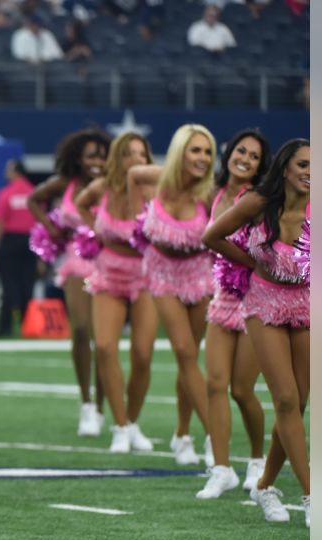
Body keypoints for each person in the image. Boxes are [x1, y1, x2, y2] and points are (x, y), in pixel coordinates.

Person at [202, 139, 310, 526]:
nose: (310, 171)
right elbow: (211, 236)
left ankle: (265, 485)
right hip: (262, 303)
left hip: (308, 304)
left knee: (298, 405)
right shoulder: (259, 203)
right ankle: (312, 494)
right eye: (303, 164)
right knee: (283, 398)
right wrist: (252, 263)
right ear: (285, 168)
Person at [128, 124, 217, 467]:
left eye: (207, 152)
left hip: (198, 274)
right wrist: (141, 217)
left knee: (190, 357)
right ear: (181, 151)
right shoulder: (159, 178)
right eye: (195, 150)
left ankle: (182, 433)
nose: (202, 158)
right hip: (162, 272)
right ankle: (214, 435)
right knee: (183, 350)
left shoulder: (208, 194)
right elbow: (134, 174)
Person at [194, 129, 271, 499]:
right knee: (214, 382)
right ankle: (220, 468)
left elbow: (262, 250)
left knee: (242, 390)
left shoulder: (257, 199)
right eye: (241, 150)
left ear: (261, 166)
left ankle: (256, 460)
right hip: (223, 297)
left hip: (256, 299)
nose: (245, 159)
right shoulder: (214, 192)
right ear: (229, 152)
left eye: (254, 156)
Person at [74, 132, 160, 454]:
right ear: (118, 158)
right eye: (129, 154)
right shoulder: (103, 188)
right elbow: (82, 204)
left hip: (145, 276)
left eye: (142, 154)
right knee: (107, 348)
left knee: (142, 354)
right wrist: (94, 230)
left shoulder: (153, 191)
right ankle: (120, 426)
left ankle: (133, 422)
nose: (136, 160)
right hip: (108, 274)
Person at [28, 128, 110, 437]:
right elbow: (34, 200)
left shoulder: (113, 186)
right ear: (78, 158)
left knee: (105, 340)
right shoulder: (66, 184)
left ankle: (104, 406)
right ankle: (86, 403)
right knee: (80, 328)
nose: (97, 162)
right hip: (76, 257)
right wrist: (51, 227)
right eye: (91, 155)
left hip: (109, 261)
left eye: (102, 155)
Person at [0, 159, 37, 338]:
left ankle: (5, 327)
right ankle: (28, 326)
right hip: (30, 242)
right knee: (27, 286)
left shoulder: (5, 194)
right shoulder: (33, 193)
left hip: (10, 242)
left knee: (8, 287)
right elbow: (40, 223)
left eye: (8, 168)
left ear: (16, 171)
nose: (5, 171)